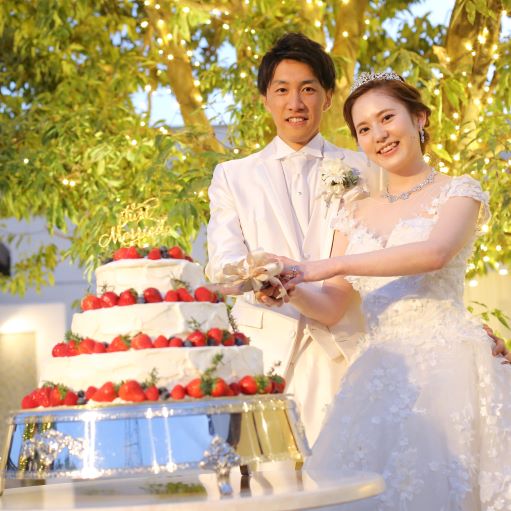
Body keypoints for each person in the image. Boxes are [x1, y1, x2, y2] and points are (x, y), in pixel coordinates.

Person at [269, 71, 511, 510]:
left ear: (419, 118)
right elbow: (333, 305)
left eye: (386, 118)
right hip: (378, 372)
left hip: (448, 367)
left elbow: (435, 253)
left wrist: (330, 264)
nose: (378, 135)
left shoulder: (460, 191)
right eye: (364, 129)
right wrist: (290, 287)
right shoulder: (353, 212)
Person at [206, 33, 379, 444]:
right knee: (271, 475)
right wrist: (257, 275)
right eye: (282, 90)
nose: (295, 103)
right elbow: (221, 268)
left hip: (345, 350)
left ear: (328, 97)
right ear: (265, 99)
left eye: (308, 89)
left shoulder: (365, 168)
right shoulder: (232, 176)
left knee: (345, 471)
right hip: (266, 352)